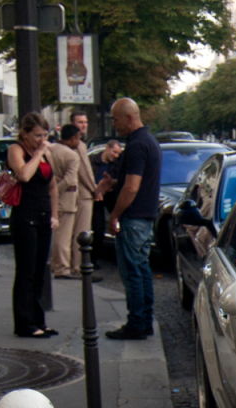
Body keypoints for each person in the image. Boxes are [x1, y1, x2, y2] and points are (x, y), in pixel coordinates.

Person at [105, 98, 162, 340]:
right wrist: (113, 183)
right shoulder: (149, 141)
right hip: (145, 216)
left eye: (115, 119)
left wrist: (115, 215)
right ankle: (144, 321)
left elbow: (132, 187)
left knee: (132, 273)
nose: (114, 125)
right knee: (141, 270)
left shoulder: (138, 145)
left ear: (129, 117)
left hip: (134, 217)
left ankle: (137, 323)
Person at [6, 112, 60, 338]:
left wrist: (54, 214)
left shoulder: (45, 154)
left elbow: (52, 186)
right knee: (26, 271)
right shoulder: (17, 149)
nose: (41, 140)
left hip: (43, 214)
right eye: (37, 135)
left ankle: (39, 320)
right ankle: (24, 323)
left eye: (44, 135)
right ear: (25, 134)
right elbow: (24, 175)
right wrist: (38, 154)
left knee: (40, 271)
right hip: (24, 215)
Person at [49, 124, 82, 279]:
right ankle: (62, 267)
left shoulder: (50, 150)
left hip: (52, 198)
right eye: (79, 138)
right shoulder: (72, 155)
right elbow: (69, 179)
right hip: (66, 199)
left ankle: (56, 264)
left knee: (56, 235)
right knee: (63, 236)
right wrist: (54, 192)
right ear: (73, 138)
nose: (79, 142)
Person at [70, 110, 100, 279]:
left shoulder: (80, 144)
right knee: (82, 232)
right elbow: (84, 172)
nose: (83, 125)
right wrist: (94, 189)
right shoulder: (78, 145)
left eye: (85, 122)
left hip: (81, 192)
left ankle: (76, 265)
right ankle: (79, 266)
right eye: (80, 122)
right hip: (83, 193)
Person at [91, 139, 121, 261]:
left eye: (118, 153)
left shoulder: (117, 164)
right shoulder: (92, 160)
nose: (116, 156)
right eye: (114, 152)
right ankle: (93, 258)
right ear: (107, 148)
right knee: (98, 228)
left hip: (110, 195)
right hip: (94, 195)